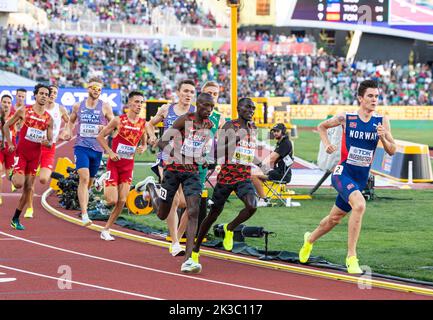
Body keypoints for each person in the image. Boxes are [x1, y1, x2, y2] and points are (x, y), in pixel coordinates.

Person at [298, 80, 397, 274]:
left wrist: (383, 137)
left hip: (360, 178)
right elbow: (321, 126)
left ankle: (309, 239)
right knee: (359, 205)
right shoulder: (346, 118)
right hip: (342, 173)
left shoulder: (382, 121)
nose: (374, 100)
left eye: (377, 96)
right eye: (370, 96)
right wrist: (327, 144)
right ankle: (351, 257)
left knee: (334, 218)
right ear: (360, 98)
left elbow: (392, 151)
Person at [192, 98, 258, 269]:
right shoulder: (230, 126)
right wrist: (235, 139)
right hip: (226, 178)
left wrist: (262, 163)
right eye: (247, 107)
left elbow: (248, 152)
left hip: (244, 177)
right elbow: (219, 150)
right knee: (213, 215)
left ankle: (229, 228)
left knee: (252, 206)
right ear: (238, 108)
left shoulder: (253, 128)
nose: (251, 110)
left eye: (253, 108)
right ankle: (195, 249)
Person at [157, 92, 215, 273]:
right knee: (162, 213)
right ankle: (150, 188)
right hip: (173, 170)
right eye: (206, 106)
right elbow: (162, 142)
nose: (209, 110)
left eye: (212, 107)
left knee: (193, 212)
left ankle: (188, 259)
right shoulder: (184, 119)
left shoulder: (209, 124)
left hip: (192, 173)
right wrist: (180, 156)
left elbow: (200, 147)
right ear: (198, 105)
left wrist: (203, 158)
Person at [144, 79, 196, 257]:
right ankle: (174, 242)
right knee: (174, 202)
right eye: (186, 91)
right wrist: (152, 137)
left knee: (184, 203)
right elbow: (149, 124)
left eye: (191, 92)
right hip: (166, 159)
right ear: (178, 92)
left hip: (186, 161)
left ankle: (151, 188)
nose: (188, 95)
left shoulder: (196, 112)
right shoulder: (166, 109)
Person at [96, 91, 147, 240]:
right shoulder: (118, 121)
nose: (139, 105)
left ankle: (106, 229)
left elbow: (144, 143)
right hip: (114, 165)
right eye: (136, 102)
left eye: (141, 102)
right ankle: (103, 179)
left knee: (122, 201)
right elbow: (100, 137)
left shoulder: (142, 123)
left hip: (128, 166)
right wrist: (110, 152)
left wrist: (143, 148)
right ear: (129, 103)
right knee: (111, 200)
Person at [3, 84, 53, 230]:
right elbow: (6, 126)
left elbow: (50, 143)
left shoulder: (49, 119)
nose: (44, 96)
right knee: (18, 184)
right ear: (35, 95)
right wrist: (10, 143)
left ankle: (15, 218)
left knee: (29, 187)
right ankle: (12, 174)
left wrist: (47, 142)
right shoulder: (24, 111)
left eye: (46, 94)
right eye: (41, 93)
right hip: (22, 154)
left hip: (35, 156)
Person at [67, 77, 114, 226]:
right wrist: (67, 131)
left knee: (89, 182)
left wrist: (104, 129)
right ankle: (85, 214)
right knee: (84, 178)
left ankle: (83, 197)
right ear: (88, 88)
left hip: (98, 148)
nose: (96, 91)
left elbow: (113, 125)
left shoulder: (105, 107)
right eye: (94, 88)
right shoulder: (77, 106)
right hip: (81, 147)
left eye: (99, 89)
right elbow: (70, 121)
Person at [25, 84, 71, 218]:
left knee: (44, 179)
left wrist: (66, 131)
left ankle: (38, 169)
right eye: (50, 92)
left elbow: (69, 122)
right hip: (35, 146)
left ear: (57, 95)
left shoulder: (60, 109)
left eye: (55, 92)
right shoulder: (39, 108)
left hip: (49, 147)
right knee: (30, 182)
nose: (52, 94)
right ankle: (29, 207)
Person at [251, 123, 294, 207]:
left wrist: (260, 166)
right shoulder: (281, 142)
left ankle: (263, 200)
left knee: (254, 175)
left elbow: (271, 159)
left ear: (283, 132)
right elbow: (271, 160)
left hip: (282, 174)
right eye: (273, 131)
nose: (275, 133)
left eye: (277, 131)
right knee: (255, 172)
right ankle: (261, 197)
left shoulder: (285, 143)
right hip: (278, 172)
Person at [0, 95, 16, 205]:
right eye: (4, 102)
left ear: (11, 104)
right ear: (1, 102)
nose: (6, 104)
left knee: (10, 174)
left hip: (10, 147)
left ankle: (13, 180)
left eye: (8, 102)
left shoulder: (15, 115)